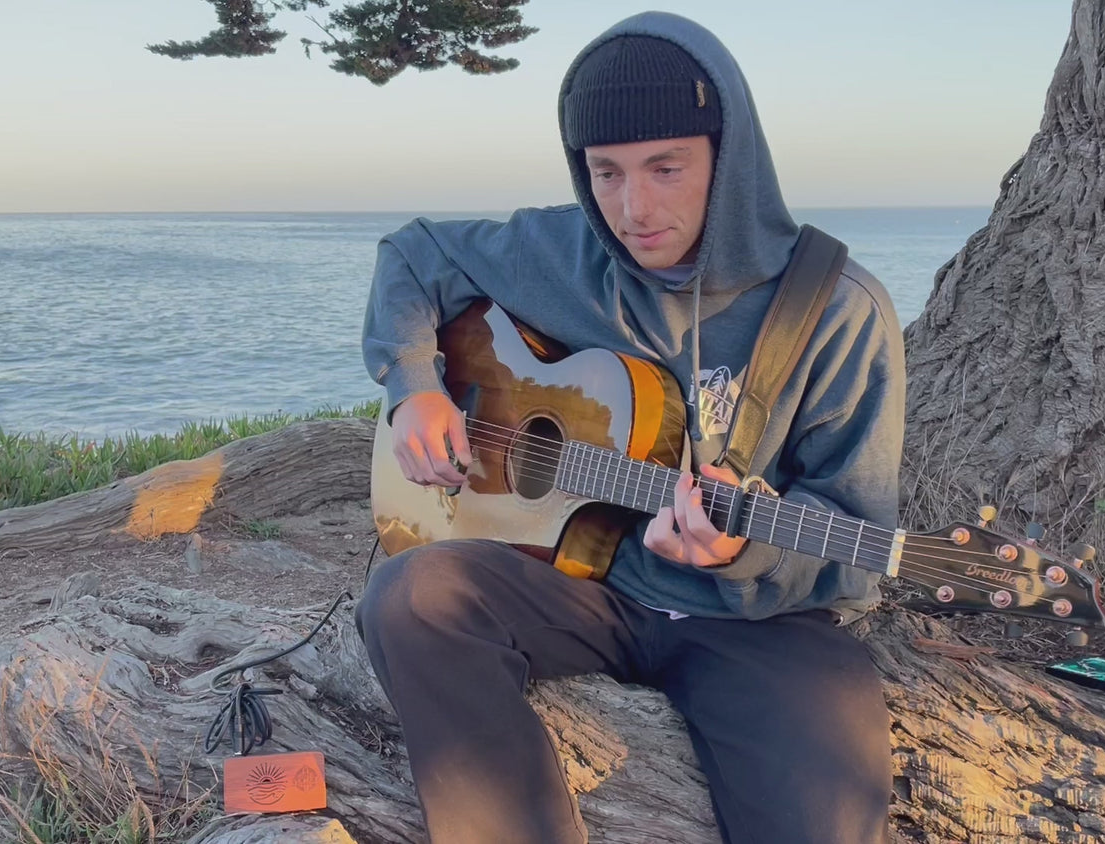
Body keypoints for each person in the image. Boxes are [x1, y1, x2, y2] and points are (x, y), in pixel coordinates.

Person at [356, 11, 905, 844]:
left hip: (758, 624)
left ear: (732, 156)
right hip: (583, 586)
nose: (632, 207)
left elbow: (854, 532)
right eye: (604, 173)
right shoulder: (564, 251)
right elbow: (411, 253)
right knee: (410, 596)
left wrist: (744, 549)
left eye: (665, 167)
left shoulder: (836, 309)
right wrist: (415, 386)